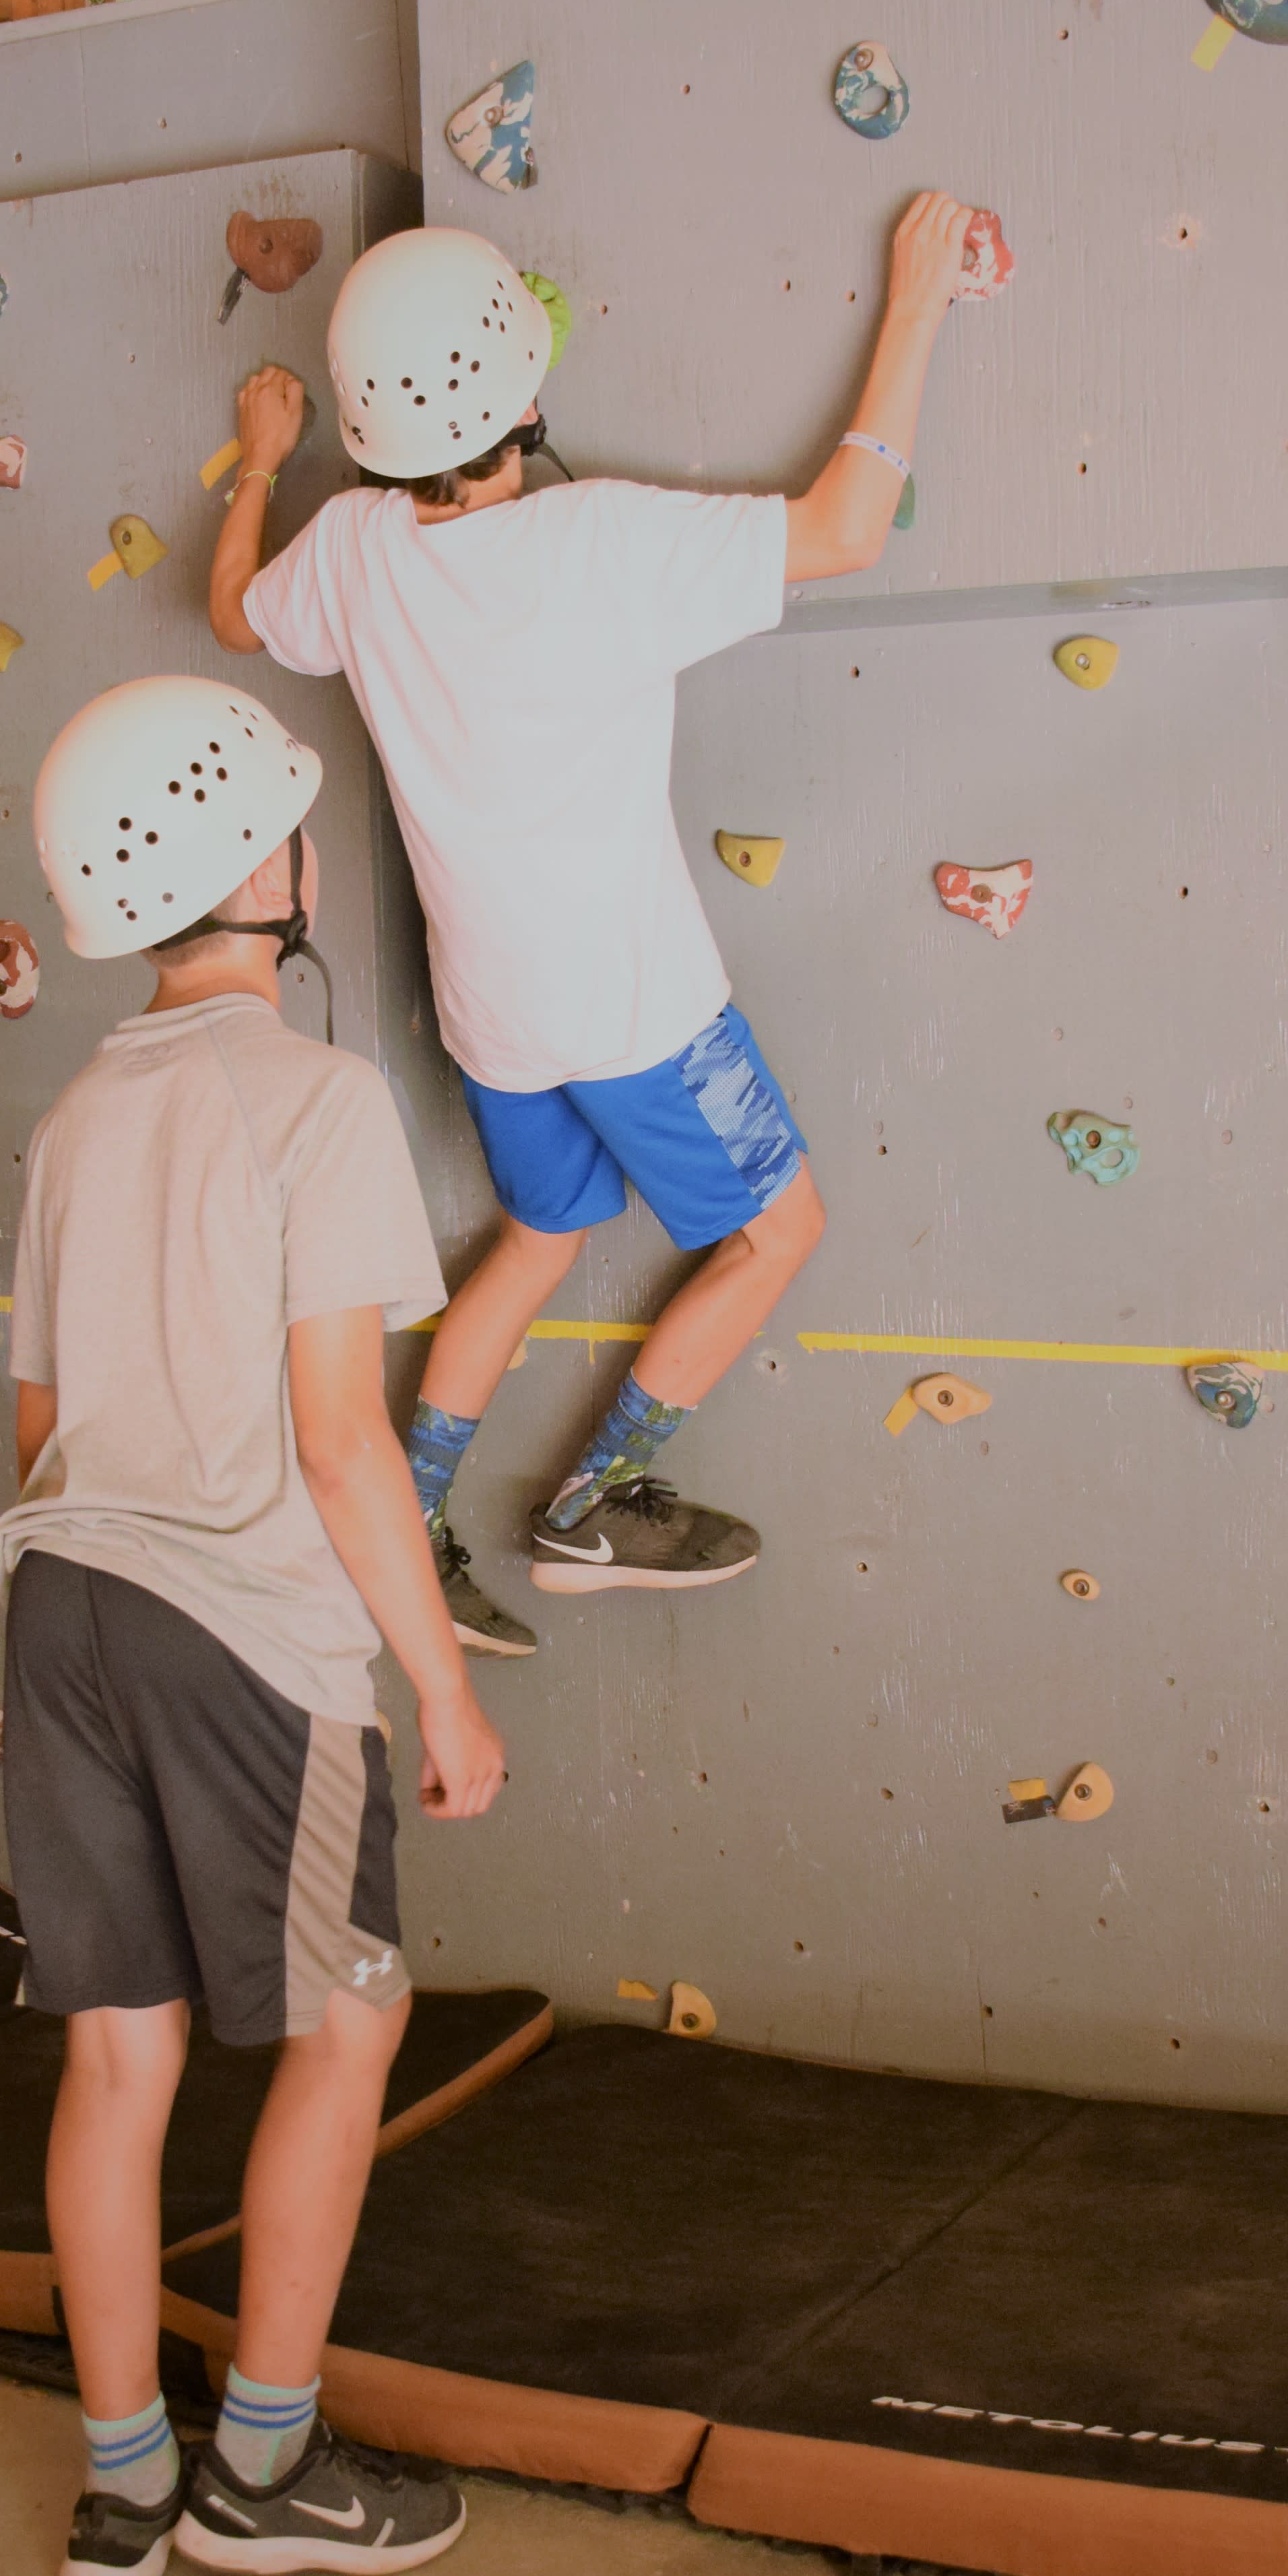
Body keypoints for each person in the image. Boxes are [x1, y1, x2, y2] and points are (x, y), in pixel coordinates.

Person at [207, 193, 977, 1659]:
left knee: (543, 1234)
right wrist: (921, 294)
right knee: (776, 1231)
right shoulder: (600, 542)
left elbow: (240, 613)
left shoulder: (355, 549)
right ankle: (592, 1507)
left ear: (370, 437)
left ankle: (410, 1523)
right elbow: (848, 527)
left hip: (492, 1017)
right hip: (636, 1013)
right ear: (530, 400)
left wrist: (256, 467)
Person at [0, 675, 509, 2576]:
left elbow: (37, 1434)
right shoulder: (316, 1099)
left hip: (62, 1605)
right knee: (348, 2021)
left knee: (117, 2060)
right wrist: (442, 1694)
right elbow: (339, 1438)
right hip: (240, 1635)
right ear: (262, 869)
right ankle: (262, 2475)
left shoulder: (75, 1118)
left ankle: (124, 2492)